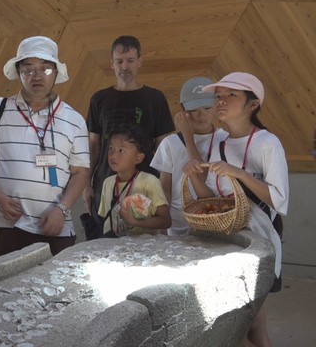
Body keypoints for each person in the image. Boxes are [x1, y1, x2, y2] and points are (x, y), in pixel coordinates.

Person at [184, 72, 287, 347]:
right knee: (252, 326)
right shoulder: (221, 144)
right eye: (218, 95)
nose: (221, 101)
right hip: (228, 241)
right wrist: (194, 174)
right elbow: (212, 199)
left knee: (238, 328)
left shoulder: (268, 143)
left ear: (253, 105)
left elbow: (278, 200)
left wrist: (238, 173)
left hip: (259, 243)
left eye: (232, 95)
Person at [0, 36, 89, 258]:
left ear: (56, 72)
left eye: (45, 69)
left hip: (56, 226)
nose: (37, 76)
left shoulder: (74, 119)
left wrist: (61, 209)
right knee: (3, 290)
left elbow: (80, 172)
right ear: (19, 73)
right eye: (29, 69)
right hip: (7, 223)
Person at [84, 35, 174, 229]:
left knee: (144, 241)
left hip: (145, 183)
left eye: (130, 60)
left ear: (139, 61)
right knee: (106, 240)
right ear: (112, 64)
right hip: (106, 183)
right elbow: (93, 145)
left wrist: (164, 187)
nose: (124, 67)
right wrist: (86, 184)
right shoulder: (99, 99)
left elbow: (164, 147)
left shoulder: (155, 98)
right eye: (119, 61)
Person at [150, 77, 228, 235]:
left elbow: (203, 180)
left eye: (207, 108)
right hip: (177, 227)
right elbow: (164, 189)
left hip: (213, 224)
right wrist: (162, 230)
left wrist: (187, 136)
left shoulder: (226, 140)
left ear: (216, 105)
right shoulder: (170, 143)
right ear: (182, 109)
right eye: (193, 110)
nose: (200, 115)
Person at [98, 125, 171, 237]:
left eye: (121, 150)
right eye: (111, 148)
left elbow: (166, 221)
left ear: (138, 158)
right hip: (115, 248)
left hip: (144, 250)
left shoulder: (149, 182)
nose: (113, 155)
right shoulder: (108, 183)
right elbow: (106, 218)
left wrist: (134, 222)